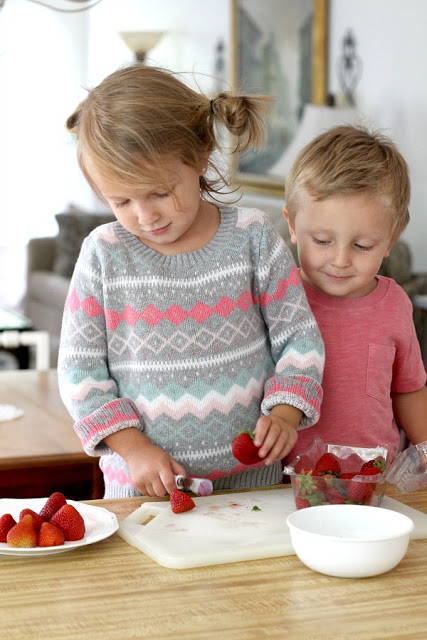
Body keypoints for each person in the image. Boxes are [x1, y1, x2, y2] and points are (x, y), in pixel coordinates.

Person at [58, 64, 324, 498]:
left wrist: (286, 412)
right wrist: (135, 449)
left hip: (252, 483)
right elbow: (79, 373)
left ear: (201, 154)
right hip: (144, 488)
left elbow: (299, 338)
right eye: (121, 200)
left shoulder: (253, 237)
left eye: (161, 192)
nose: (146, 216)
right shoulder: (103, 253)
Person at [282, 124, 427, 466]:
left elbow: (408, 388)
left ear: (392, 237)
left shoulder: (394, 304)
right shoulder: (279, 298)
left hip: (374, 480)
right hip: (284, 483)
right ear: (291, 225)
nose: (341, 260)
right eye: (321, 241)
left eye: (362, 246)